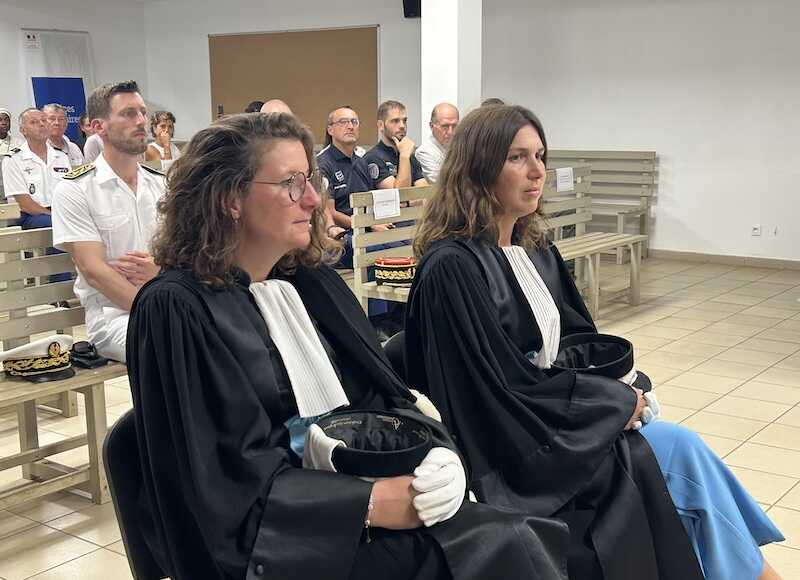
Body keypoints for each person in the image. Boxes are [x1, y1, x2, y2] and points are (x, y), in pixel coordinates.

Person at [126, 111, 570, 580]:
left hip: (346, 501)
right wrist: (367, 504)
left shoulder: (311, 282)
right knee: (504, 545)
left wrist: (438, 452)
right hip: (280, 542)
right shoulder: (176, 309)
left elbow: (384, 393)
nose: (313, 199)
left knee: (518, 535)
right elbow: (221, 482)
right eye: (291, 184)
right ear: (229, 198)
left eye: (311, 180)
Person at [404, 105, 784, 580]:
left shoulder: (536, 250)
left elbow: (576, 342)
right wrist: (607, 407)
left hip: (559, 417)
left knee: (680, 452)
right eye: (517, 157)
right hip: (516, 446)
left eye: (540, 155)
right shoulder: (452, 268)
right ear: (478, 169)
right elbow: (490, 392)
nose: (537, 171)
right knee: (675, 459)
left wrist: (621, 386)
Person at [52, 80, 164, 363]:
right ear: (98, 126)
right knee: (176, 347)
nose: (141, 121)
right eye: (128, 113)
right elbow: (94, 271)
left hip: (168, 303)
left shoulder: (161, 185)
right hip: (114, 317)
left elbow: (184, 253)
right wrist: (154, 309)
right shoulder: (76, 189)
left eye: (142, 112)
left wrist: (162, 269)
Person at [2, 108, 71, 229]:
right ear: (23, 130)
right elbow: (24, 204)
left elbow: (70, 192)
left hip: (60, 211)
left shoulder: (61, 156)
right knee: (58, 225)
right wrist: (56, 216)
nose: (41, 124)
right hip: (29, 215)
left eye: (44, 120)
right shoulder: (12, 159)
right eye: (34, 122)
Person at [362, 100, 428, 190]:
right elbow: (399, 194)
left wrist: (405, 155)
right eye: (395, 121)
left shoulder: (410, 157)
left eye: (404, 121)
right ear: (381, 125)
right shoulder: (372, 158)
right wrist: (404, 156)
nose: (402, 126)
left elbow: (424, 192)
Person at [415, 103, 459, 183]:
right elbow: (440, 183)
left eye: (455, 126)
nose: (451, 132)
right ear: (431, 126)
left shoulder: (460, 147)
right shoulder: (424, 152)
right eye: (445, 126)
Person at [43, 103, 84, 168]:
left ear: (66, 123)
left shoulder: (74, 148)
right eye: (52, 119)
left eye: (61, 119)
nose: (57, 123)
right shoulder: (40, 149)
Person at [0, 107, 24, 198]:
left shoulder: (20, 143)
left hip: (14, 187)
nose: (4, 123)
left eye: (6, 120)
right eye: (0, 120)